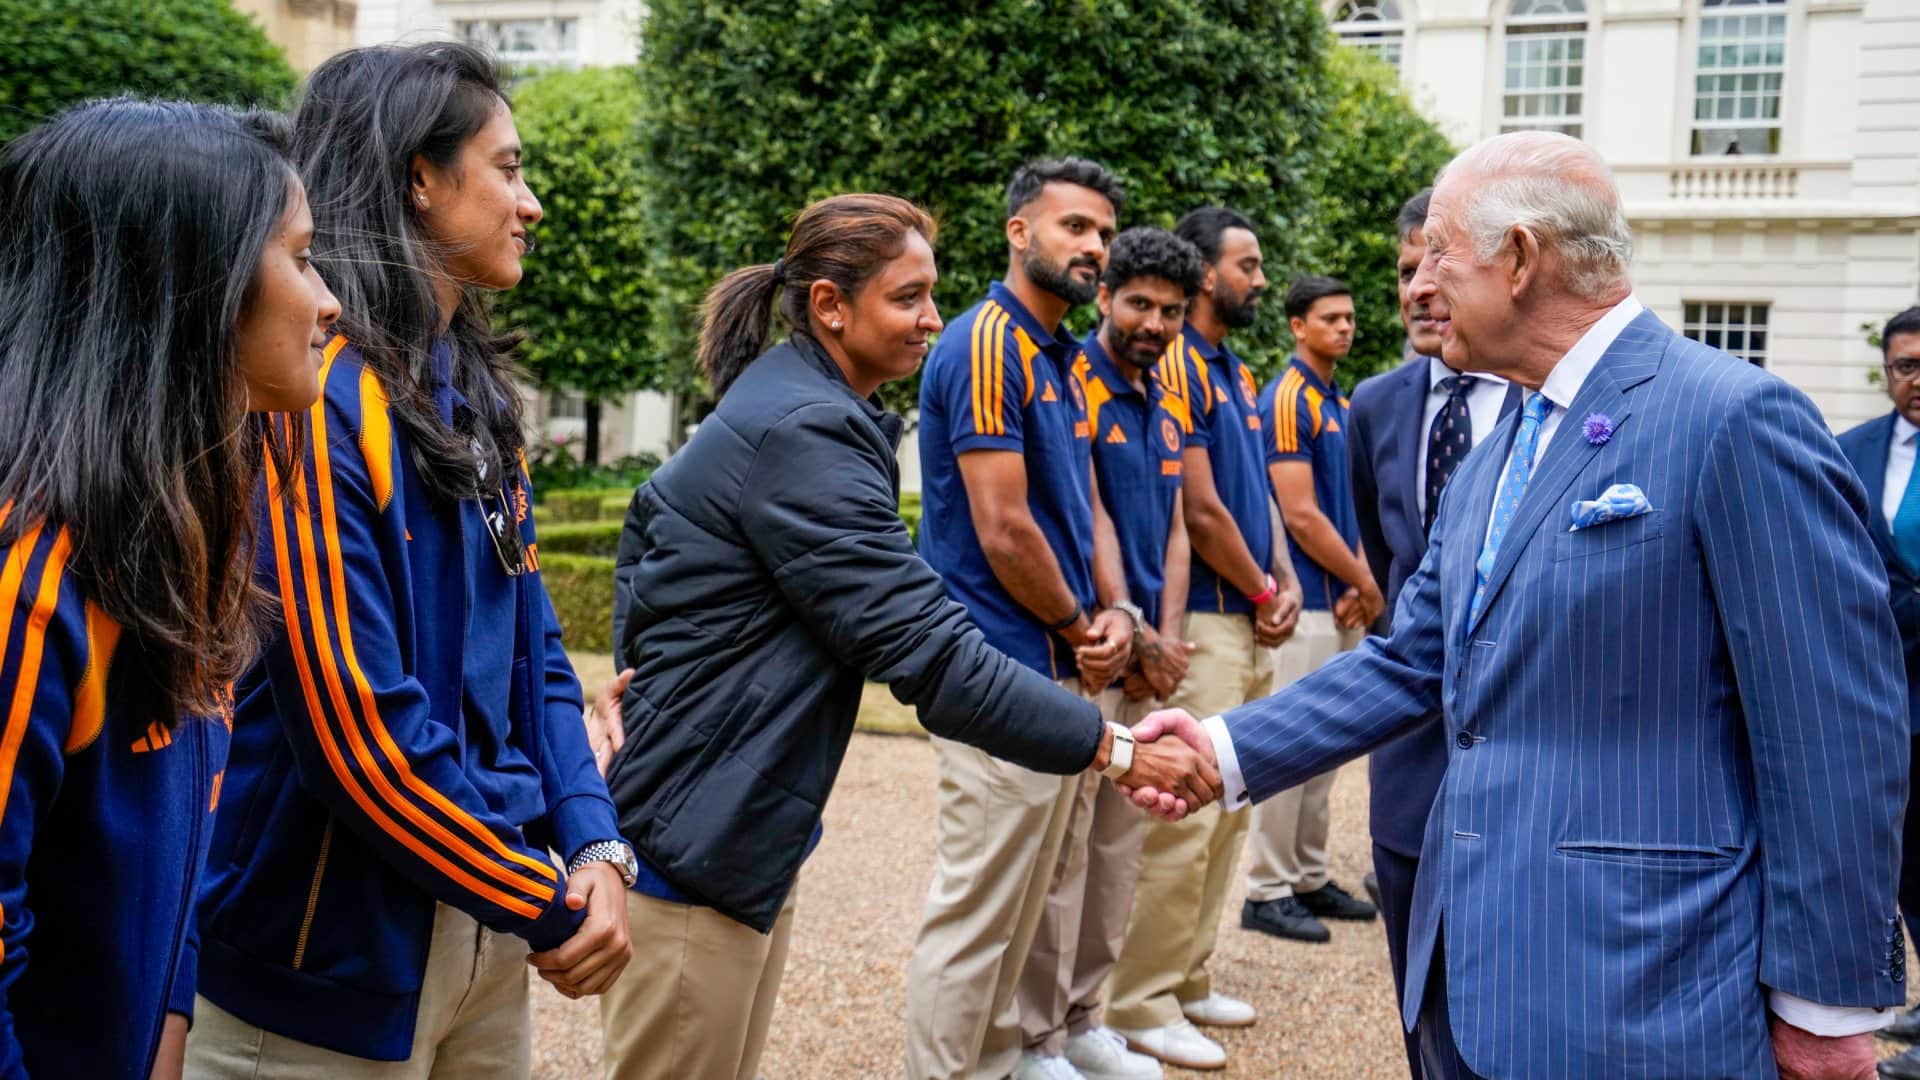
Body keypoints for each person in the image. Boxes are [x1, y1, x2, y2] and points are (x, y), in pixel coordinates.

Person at [1131, 130, 1909, 1080]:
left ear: (1521, 258)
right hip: (1468, 977)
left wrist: (1824, 1008)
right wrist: (1218, 750)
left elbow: (1833, 728)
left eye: (1439, 255)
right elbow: (1411, 658)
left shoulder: (1732, 418)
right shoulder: (1496, 449)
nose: (1419, 287)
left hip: (1650, 993)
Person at [599, 193, 1216, 1080]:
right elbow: (928, 651)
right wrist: (1118, 750)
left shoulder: (797, 403)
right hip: (696, 835)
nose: (932, 317)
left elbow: (646, 533)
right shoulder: (806, 427)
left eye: (930, 294)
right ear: (829, 305)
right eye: (908, 297)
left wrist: (644, 672)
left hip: (721, 823)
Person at [187, 43, 637, 1076]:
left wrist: (593, 841)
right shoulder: (314, 401)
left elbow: (534, 650)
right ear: (419, 178)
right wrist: (546, 897)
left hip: (479, 915)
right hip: (323, 960)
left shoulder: (470, 394)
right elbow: (353, 732)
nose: (532, 203)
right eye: (509, 168)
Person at [0, 98, 338, 1079]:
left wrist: (172, 1014)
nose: (330, 303)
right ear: (190, 285)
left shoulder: (182, 531)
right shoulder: (31, 580)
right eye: (301, 259)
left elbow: (179, 852)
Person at [904, 158, 1152, 1080]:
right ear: (1019, 232)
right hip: (994, 664)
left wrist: (1115, 612)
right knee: (978, 912)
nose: (1093, 247)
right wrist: (1086, 627)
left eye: (1103, 233)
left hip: (1053, 666)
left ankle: (1003, 1060)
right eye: (1073, 226)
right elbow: (1003, 526)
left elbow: (1082, 507)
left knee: (1030, 897)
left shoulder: (1062, 357)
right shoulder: (986, 342)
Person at [1107, 206, 1302, 1073]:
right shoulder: (1178, 361)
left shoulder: (1236, 368)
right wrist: (1261, 588)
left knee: (1229, 813)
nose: (1259, 279)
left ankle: (1186, 979)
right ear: (1206, 270)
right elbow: (1201, 507)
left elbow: (1257, 492)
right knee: (1181, 822)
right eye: (1247, 265)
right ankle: (1140, 1000)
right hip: (1214, 618)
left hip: (1252, 612)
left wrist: (1285, 576)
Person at [1014, 227, 1209, 1080]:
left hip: (1149, 654)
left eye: (1171, 311)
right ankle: (1037, 1036)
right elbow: (1078, 519)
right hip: (1093, 651)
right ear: (1105, 298)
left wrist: (1165, 637)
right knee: (1062, 856)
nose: (1154, 323)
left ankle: (1087, 1017)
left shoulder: (1166, 398)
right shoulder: (1075, 384)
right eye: (1139, 304)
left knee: (1118, 852)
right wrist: (1122, 630)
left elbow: (1175, 529)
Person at [1344, 186, 1519, 1078]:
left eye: (1438, 267)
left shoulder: (1546, 400)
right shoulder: (1374, 404)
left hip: (1525, 746)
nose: (1419, 290)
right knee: (1419, 993)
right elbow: (1391, 568)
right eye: (1406, 269)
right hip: (1411, 749)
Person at [1240, 275, 1381, 944]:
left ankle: (1308, 873)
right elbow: (1298, 513)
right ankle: (1267, 888)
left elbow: (1356, 502)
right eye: (1330, 318)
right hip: (1307, 605)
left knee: (1326, 752)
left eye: (1349, 316)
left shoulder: (1341, 402)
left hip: (1345, 600)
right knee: (1289, 747)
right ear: (1298, 326)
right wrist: (1364, 580)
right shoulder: (1287, 398)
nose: (1345, 327)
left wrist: (1363, 581)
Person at [1833, 305, 1920, 1080]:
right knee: (1904, 863)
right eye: (1905, 366)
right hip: (1883, 692)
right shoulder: (1851, 450)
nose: (1916, 379)